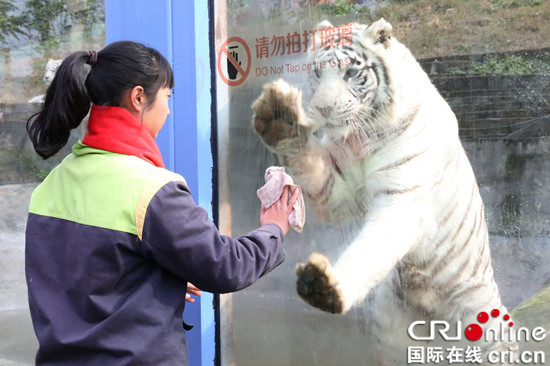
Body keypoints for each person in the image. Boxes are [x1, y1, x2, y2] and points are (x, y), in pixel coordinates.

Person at [25, 40, 299, 365]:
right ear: (139, 97)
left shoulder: (51, 184)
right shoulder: (151, 190)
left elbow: (83, 276)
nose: (168, 109)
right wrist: (273, 227)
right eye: (167, 96)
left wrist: (154, 282)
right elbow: (227, 266)